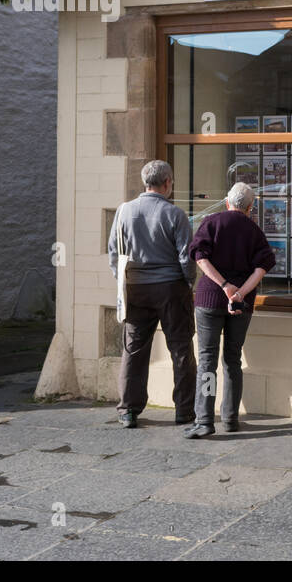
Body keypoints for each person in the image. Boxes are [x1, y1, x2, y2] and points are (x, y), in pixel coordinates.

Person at [107, 160, 197, 429]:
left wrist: (123, 279)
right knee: (180, 349)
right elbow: (186, 258)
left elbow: (114, 251)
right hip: (170, 287)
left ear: (145, 182)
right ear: (168, 182)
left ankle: (128, 410)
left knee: (133, 350)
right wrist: (188, 283)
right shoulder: (175, 214)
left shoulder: (124, 211)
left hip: (135, 288)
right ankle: (184, 410)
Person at [182, 182, 275, 438]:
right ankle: (231, 417)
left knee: (207, 360)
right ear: (250, 207)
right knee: (233, 359)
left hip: (210, 300)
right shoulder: (254, 230)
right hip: (241, 304)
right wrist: (240, 294)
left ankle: (204, 420)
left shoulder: (212, 223)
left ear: (227, 202)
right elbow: (262, 267)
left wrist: (224, 286)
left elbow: (200, 257)